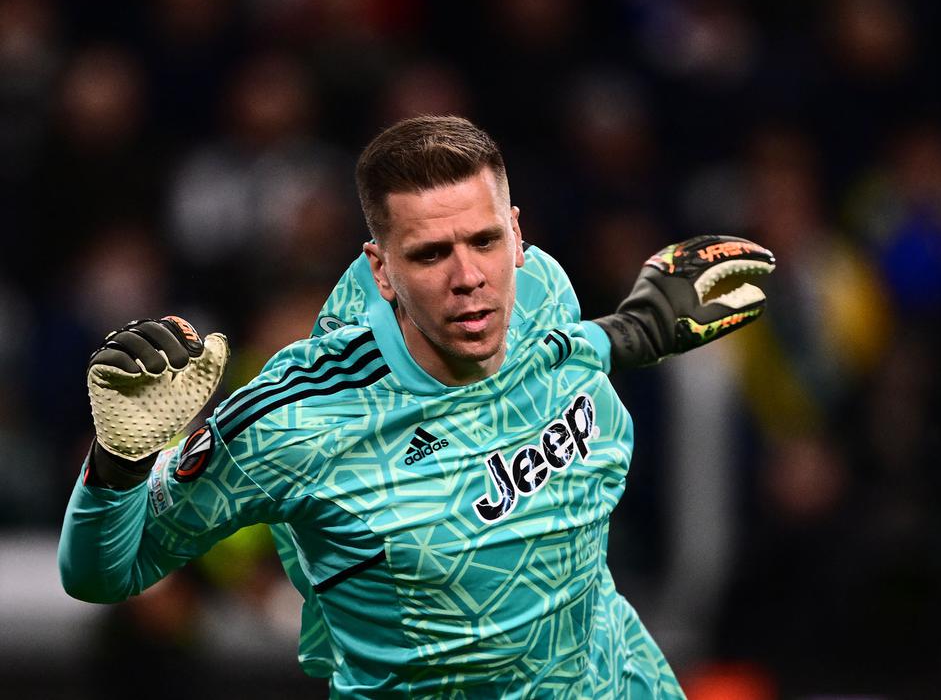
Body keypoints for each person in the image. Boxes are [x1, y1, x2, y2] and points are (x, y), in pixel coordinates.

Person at [59, 115, 775, 697]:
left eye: (487, 241)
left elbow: (548, 356)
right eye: (431, 254)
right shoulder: (296, 420)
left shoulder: (541, 289)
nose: (470, 277)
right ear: (382, 269)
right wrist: (119, 462)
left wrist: (626, 334)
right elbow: (102, 574)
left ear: (517, 233)